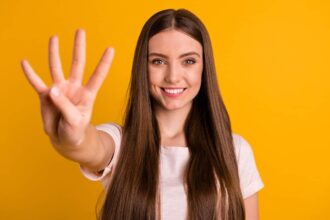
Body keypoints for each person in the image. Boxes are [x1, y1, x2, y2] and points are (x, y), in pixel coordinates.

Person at [21, 8, 264, 220]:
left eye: (188, 61)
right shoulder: (121, 144)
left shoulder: (235, 150)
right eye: (158, 61)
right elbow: (90, 147)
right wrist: (73, 136)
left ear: (204, 67)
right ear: (142, 67)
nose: (173, 76)